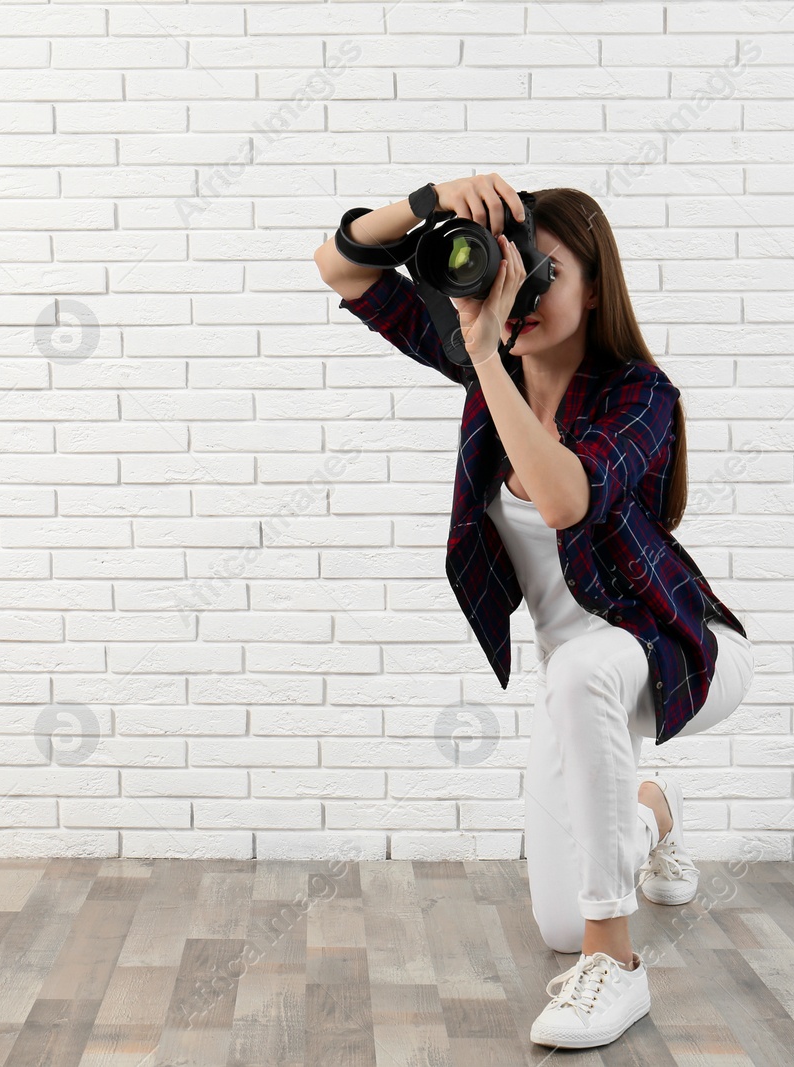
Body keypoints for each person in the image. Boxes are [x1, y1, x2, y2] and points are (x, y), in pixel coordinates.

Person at [313, 176, 756, 1050]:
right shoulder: (490, 359)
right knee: (559, 917)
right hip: (577, 686)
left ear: (597, 286)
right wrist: (431, 198)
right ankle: (653, 808)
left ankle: (618, 967)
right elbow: (342, 265)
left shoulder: (641, 396)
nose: (529, 294)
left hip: (679, 649)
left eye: (548, 273)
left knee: (588, 666)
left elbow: (563, 499)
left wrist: (482, 354)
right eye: (515, 271)